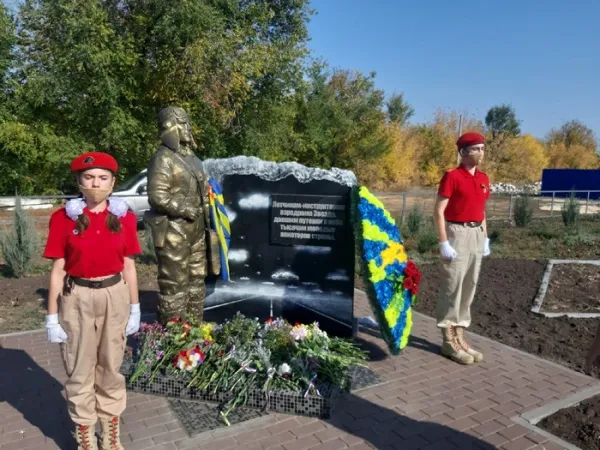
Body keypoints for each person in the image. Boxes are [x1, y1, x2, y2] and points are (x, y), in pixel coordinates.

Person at [43, 152, 142, 450]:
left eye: (102, 178)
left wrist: (135, 308)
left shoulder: (125, 218)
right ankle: (85, 435)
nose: (95, 184)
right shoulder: (63, 218)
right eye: (89, 177)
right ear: (79, 181)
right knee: (79, 367)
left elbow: (129, 266)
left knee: (111, 366)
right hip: (78, 296)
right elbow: (58, 270)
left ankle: (110, 436)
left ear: (112, 182)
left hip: (115, 294)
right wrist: (51, 316)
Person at [144, 106, 214, 325]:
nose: (188, 128)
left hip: (197, 230)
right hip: (174, 230)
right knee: (175, 284)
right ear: (170, 126)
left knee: (197, 280)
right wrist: (183, 209)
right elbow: (157, 195)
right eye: (183, 123)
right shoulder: (163, 158)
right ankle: (172, 337)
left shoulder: (194, 159)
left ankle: (195, 331)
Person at [433, 132, 491, 365]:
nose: (481, 153)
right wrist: (444, 242)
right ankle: (448, 341)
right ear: (464, 152)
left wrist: (485, 237)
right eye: (476, 148)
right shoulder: (452, 176)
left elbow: (482, 210)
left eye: (482, 148)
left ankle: (460, 336)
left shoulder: (483, 178)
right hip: (457, 232)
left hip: (476, 232)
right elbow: (438, 211)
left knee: (469, 285)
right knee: (453, 285)